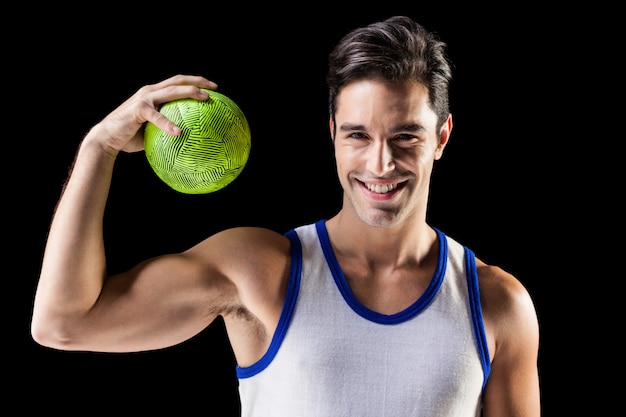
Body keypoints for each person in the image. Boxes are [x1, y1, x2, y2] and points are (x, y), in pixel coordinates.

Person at [31, 16, 540, 416]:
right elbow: (63, 323)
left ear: (442, 138)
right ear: (333, 134)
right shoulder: (261, 272)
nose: (381, 163)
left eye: (406, 135)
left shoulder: (496, 304)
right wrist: (99, 147)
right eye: (358, 135)